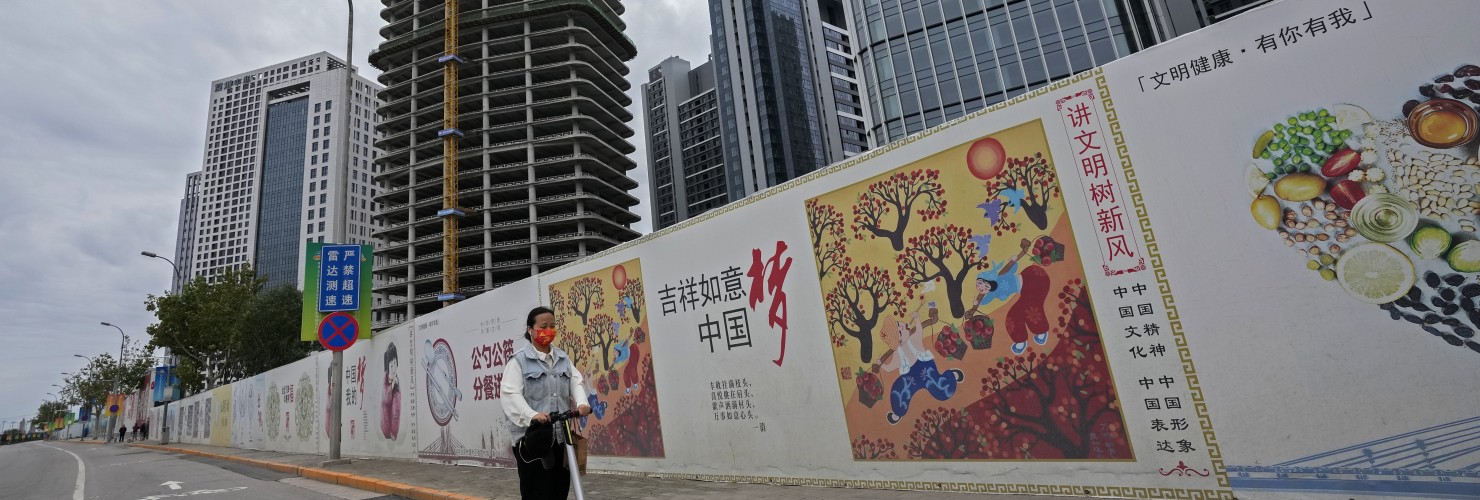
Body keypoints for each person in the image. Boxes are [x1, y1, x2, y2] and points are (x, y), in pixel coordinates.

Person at [499, 306, 592, 500]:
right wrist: (532, 415)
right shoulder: (519, 361)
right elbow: (510, 394)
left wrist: (582, 403)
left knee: (560, 488)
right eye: (543, 326)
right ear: (530, 330)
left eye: (552, 326)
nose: (548, 331)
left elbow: (576, 381)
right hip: (533, 439)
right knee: (536, 491)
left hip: (561, 437)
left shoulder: (563, 358)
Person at [880, 310, 963, 424]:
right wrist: (881, 364)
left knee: (939, 387)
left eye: (900, 325)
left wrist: (917, 319)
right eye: (899, 331)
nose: (902, 328)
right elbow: (890, 368)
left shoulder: (913, 339)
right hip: (910, 377)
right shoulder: (896, 353)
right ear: (895, 341)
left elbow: (919, 329)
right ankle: (898, 411)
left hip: (925, 367)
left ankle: (951, 376)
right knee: (899, 388)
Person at [975, 238, 1051, 355]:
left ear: (991, 280)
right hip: (1025, 291)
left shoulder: (1000, 275)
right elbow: (983, 302)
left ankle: (1041, 332)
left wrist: (1021, 252)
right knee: (1013, 314)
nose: (982, 287)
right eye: (979, 284)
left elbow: (1012, 264)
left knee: (1030, 308)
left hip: (1034, 278)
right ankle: (1020, 340)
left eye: (985, 284)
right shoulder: (992, 294)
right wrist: (977, 301)